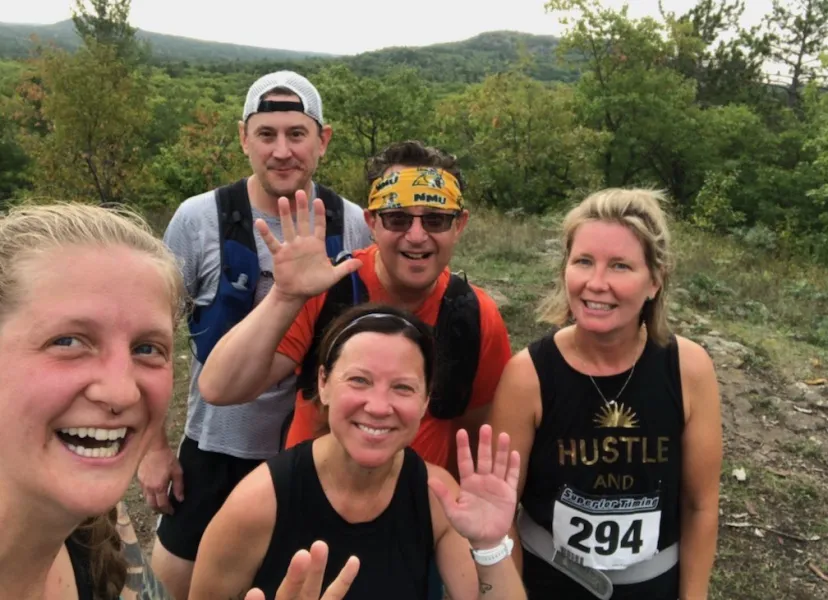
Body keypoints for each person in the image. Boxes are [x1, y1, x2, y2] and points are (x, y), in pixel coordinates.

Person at [0, 202, 359, 600]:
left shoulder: (96, 532)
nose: (121, 391)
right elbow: (220, 386)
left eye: (147, 348)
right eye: (67, 342)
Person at [138, 70, 373, 600]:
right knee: (179, 585)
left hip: (315, 453)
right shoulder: (199, 220)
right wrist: (151, 449)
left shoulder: (352, 224)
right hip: (217, 443)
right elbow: (153, 342)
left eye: (297, 133)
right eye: (266, 134)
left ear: (323, 140)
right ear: (244, 137)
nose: (282, 150)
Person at [198, 140, 512, 475]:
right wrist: (285, 297)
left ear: (459, 225)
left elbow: (480, 435)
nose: (417, 235)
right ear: (371, 223)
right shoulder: (329, 291)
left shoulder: (475, 315)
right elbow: (220, 388)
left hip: (420, 513)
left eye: (435, 220)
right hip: (312, 505)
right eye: (397, 219)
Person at [190, 304, 527, 600]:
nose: (379, 407)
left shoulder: (436, 497)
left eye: (403, 387)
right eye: (359, 381)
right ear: (323, 383)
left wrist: (489, 548)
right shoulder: (257, 505)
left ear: (425, 400)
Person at [488, 189, 722, 599]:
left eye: (620, 266)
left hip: (655, 585)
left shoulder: (689, 370)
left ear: (655, 280)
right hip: (548, 581)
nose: (597, 284)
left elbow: (700, 506)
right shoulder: (528, 376)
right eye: (583, 262)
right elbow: (500, 513)